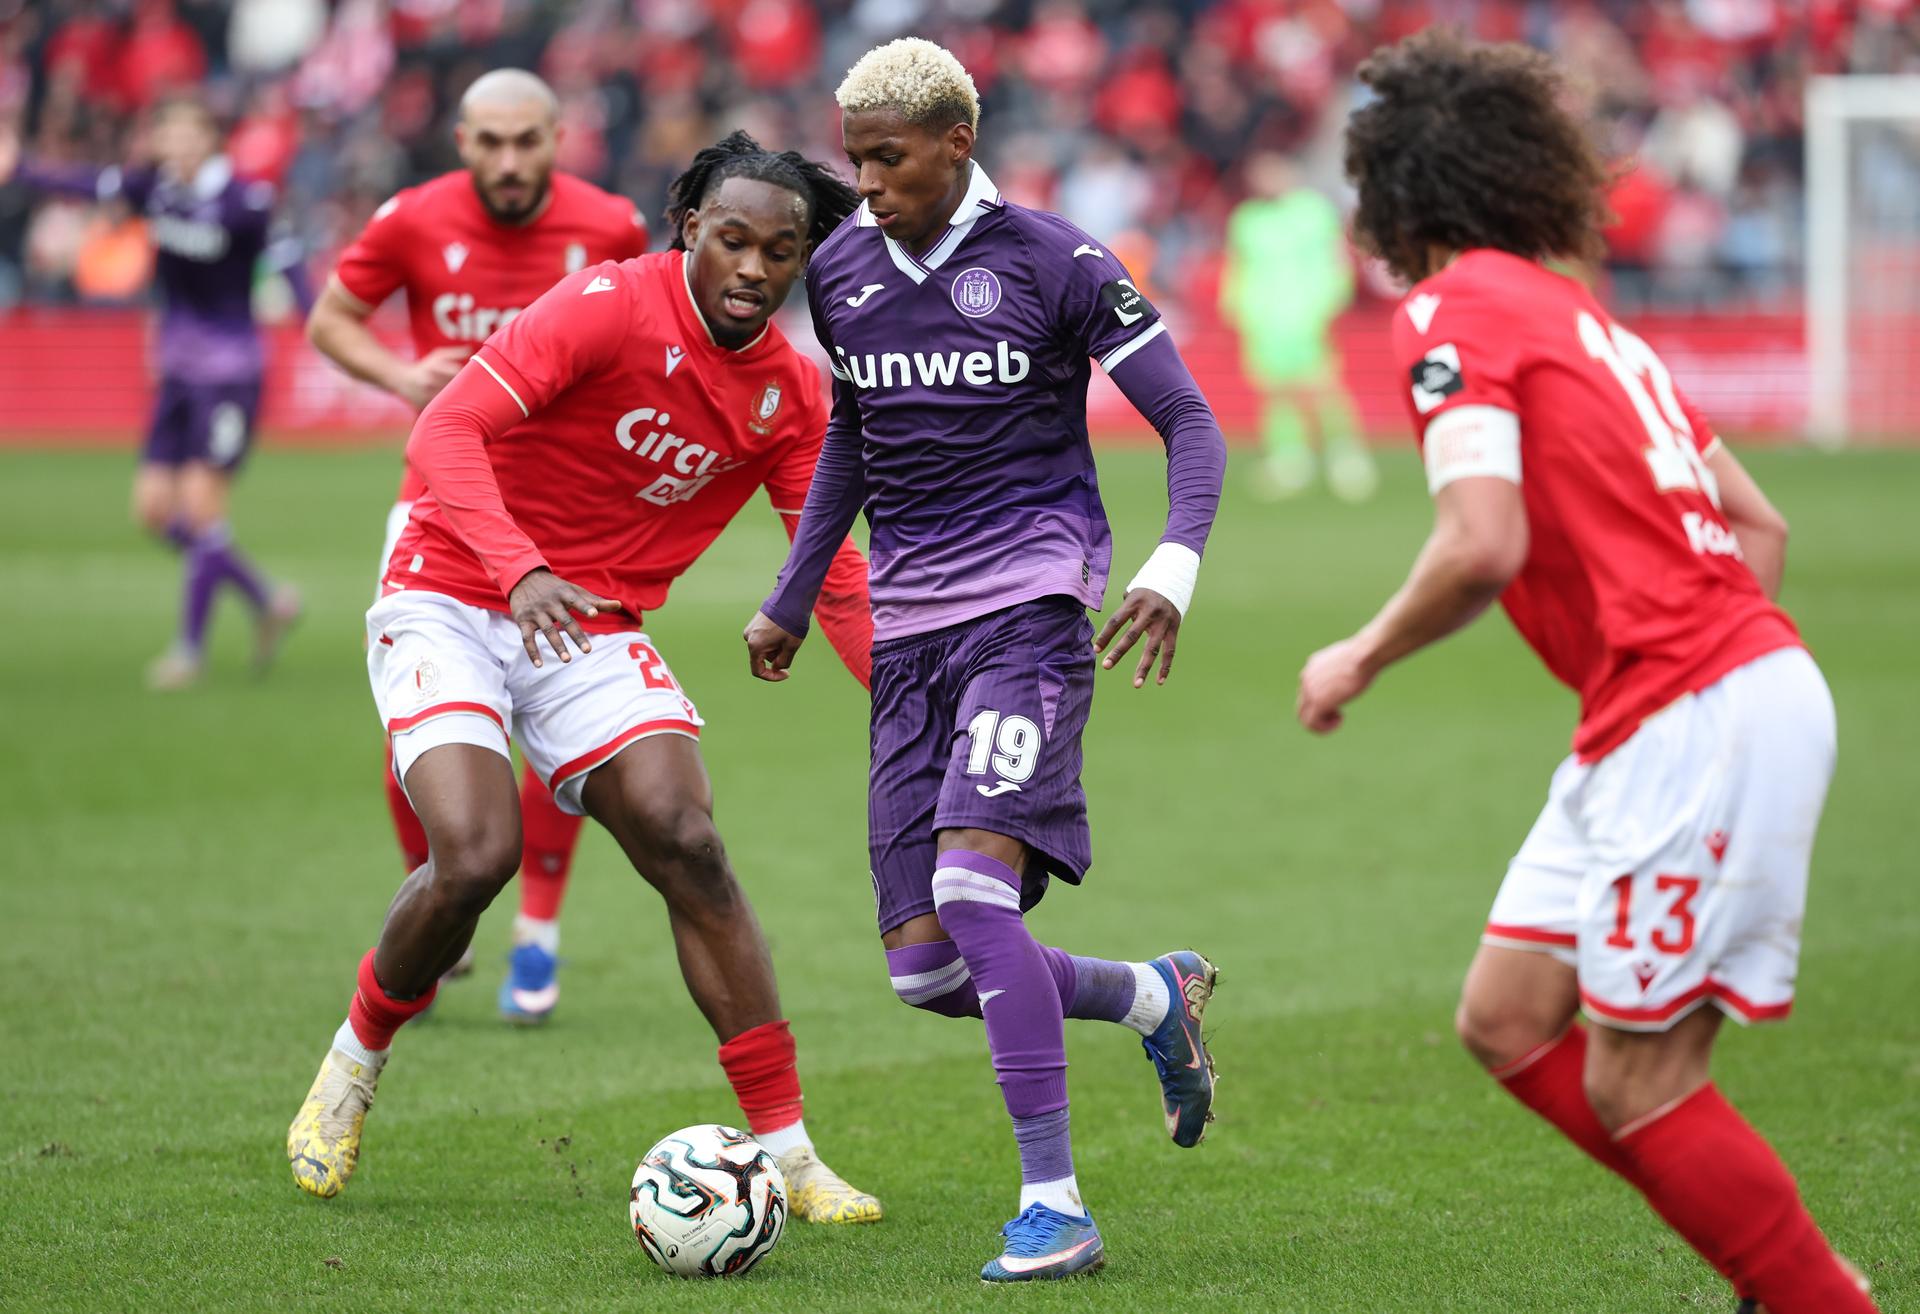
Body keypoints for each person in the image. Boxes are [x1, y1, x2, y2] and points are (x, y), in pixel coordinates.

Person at [1295, 31, 1875, 1314]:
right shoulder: (1587, 322)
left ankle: (1815, 1295)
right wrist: (1694, 672)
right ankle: (1778, 1265)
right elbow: (1762, 528)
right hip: (1686, 705)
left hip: (1696, 713)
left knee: (1639, 1083)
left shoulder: (1447, 310)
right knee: (1506, 1017)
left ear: (1399, 195)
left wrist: (1359, 653)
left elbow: (1480, 541)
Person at [287, 131, 879, 1226]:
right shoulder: (606, 305)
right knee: (474, 857)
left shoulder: (796, 396)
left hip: (589, 625)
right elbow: (446, 426)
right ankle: (352, 1064)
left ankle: (790, 1158)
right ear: (687, 228)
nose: (754, 268)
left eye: (781, 251)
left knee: (687, 841)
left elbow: (831, 576)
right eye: (734, 240)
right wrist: (517, 571)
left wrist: (911, 712)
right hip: (453, 587)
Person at [744, 38, 1227, 1282]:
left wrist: (1169, 565)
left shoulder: (1058, 261)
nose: (865, 186)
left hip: (1030, 615)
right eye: (853, 160)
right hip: (908, 638)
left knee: (974, 894)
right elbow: (854, 433)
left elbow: (1187, 419)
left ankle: (1056, 1206)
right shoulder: (843, 268)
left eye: (888, 159)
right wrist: (796, 597)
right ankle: (1150, 998)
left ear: (959, 143)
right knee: (925, 972)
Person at [307, 69, 649, 1023]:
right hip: (437, 514)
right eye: (489, 142)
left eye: (526, 141)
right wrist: (401, 373)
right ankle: (439, 900)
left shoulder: (611, 226)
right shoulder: (413, 219)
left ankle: (536, 937)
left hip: (561, 521)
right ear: (460, 139)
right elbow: (331, 318)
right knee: (416, 749)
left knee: (562, 738)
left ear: (558, 138)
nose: (508, 161)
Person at [1, 96, 303, 689]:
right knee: (153, 511)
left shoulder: (246, 201)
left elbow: (291, 267)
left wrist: (323, 322)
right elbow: (87, 183)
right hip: (176, 370)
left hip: (231, 371)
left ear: (210, 140)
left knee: (200, 506)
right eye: (170, 137)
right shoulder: (156, 191)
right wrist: (20, 167)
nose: (179, 148)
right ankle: (265, 600)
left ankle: (187, 652)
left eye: (190, 136)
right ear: (160, 143)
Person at [1219, 152, 1376, 503]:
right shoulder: (1248, 220)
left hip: (1307, 316)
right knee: (1277, 392)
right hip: (1265, 321)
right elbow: (1239, 268)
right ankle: (1290, 459)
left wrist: (1329, 301)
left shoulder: (1313, 213)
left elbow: (1335, 261)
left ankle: (1346, 455)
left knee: (1322, 387)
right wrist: (1238, 307)